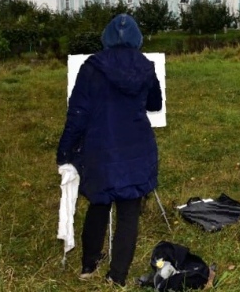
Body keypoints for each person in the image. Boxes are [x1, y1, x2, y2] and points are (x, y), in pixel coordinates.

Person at [56, 14, 162, 286]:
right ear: (137, 38)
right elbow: (155, 105)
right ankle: (117, 277)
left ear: (106, 36)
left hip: (100, 148)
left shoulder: (92, 67)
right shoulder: (146, 66)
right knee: (129, 213)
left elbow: (78, 113)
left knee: (99, 204)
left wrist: (64, 151)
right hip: (137, 148)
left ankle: (88, 266)